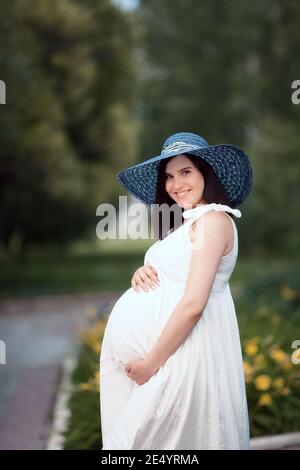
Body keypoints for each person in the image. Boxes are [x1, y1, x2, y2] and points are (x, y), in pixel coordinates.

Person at [99, 131, 253, 450]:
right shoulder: (191, 222)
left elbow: (194, 304)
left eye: (185, 172)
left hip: (185, 356)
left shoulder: (213, 221)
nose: (176, 184)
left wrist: (150, 364)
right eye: (169, 176)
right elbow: (177, 274)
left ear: (205, 173)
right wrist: (144, 271)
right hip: (173, 355)